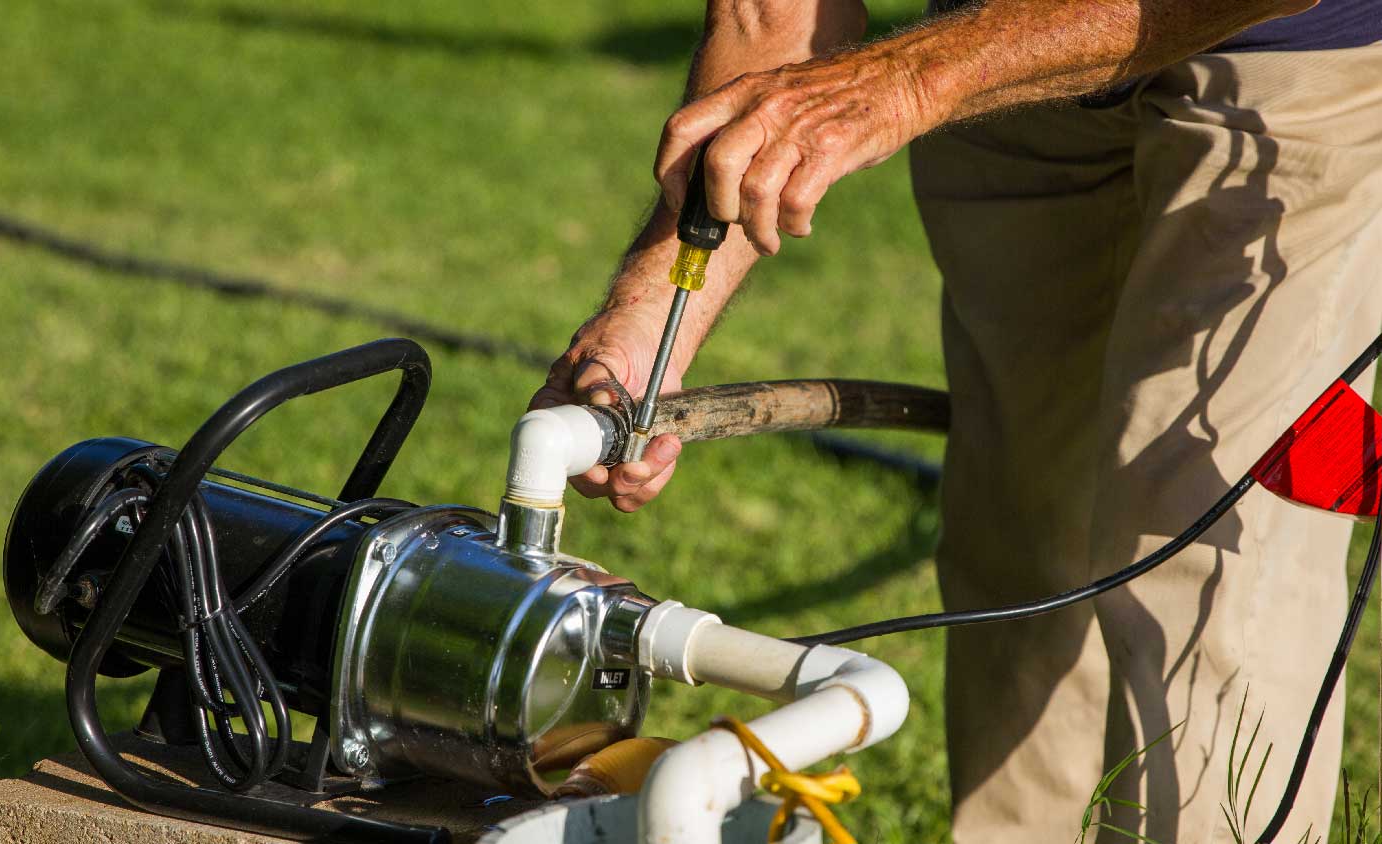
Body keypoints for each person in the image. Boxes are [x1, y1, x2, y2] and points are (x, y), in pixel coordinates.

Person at [530, 0, 1382, 840]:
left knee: (1202, 550)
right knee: (1019, 521)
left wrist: (910, 78)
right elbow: (770, 15)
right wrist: (644, 319)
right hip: (1002, 74)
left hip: (1282, 61)